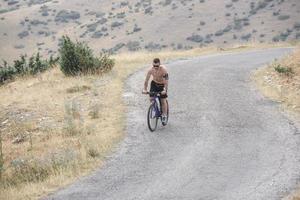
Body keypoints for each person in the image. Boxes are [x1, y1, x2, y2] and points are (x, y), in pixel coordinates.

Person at [143, 58, 169, 125]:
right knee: (151, 98)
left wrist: (164, 90)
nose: (155, 67)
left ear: (159, 64)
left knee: (163, 100)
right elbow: (146, 80)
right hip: (154, 84)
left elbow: (166, 82)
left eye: (157, 66)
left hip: (162, 85)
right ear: (152, 65)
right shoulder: (151, 70)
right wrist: (145, 89)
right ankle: (154, 108)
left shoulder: (164, 70)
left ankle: (164, 115)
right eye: (154, 66)